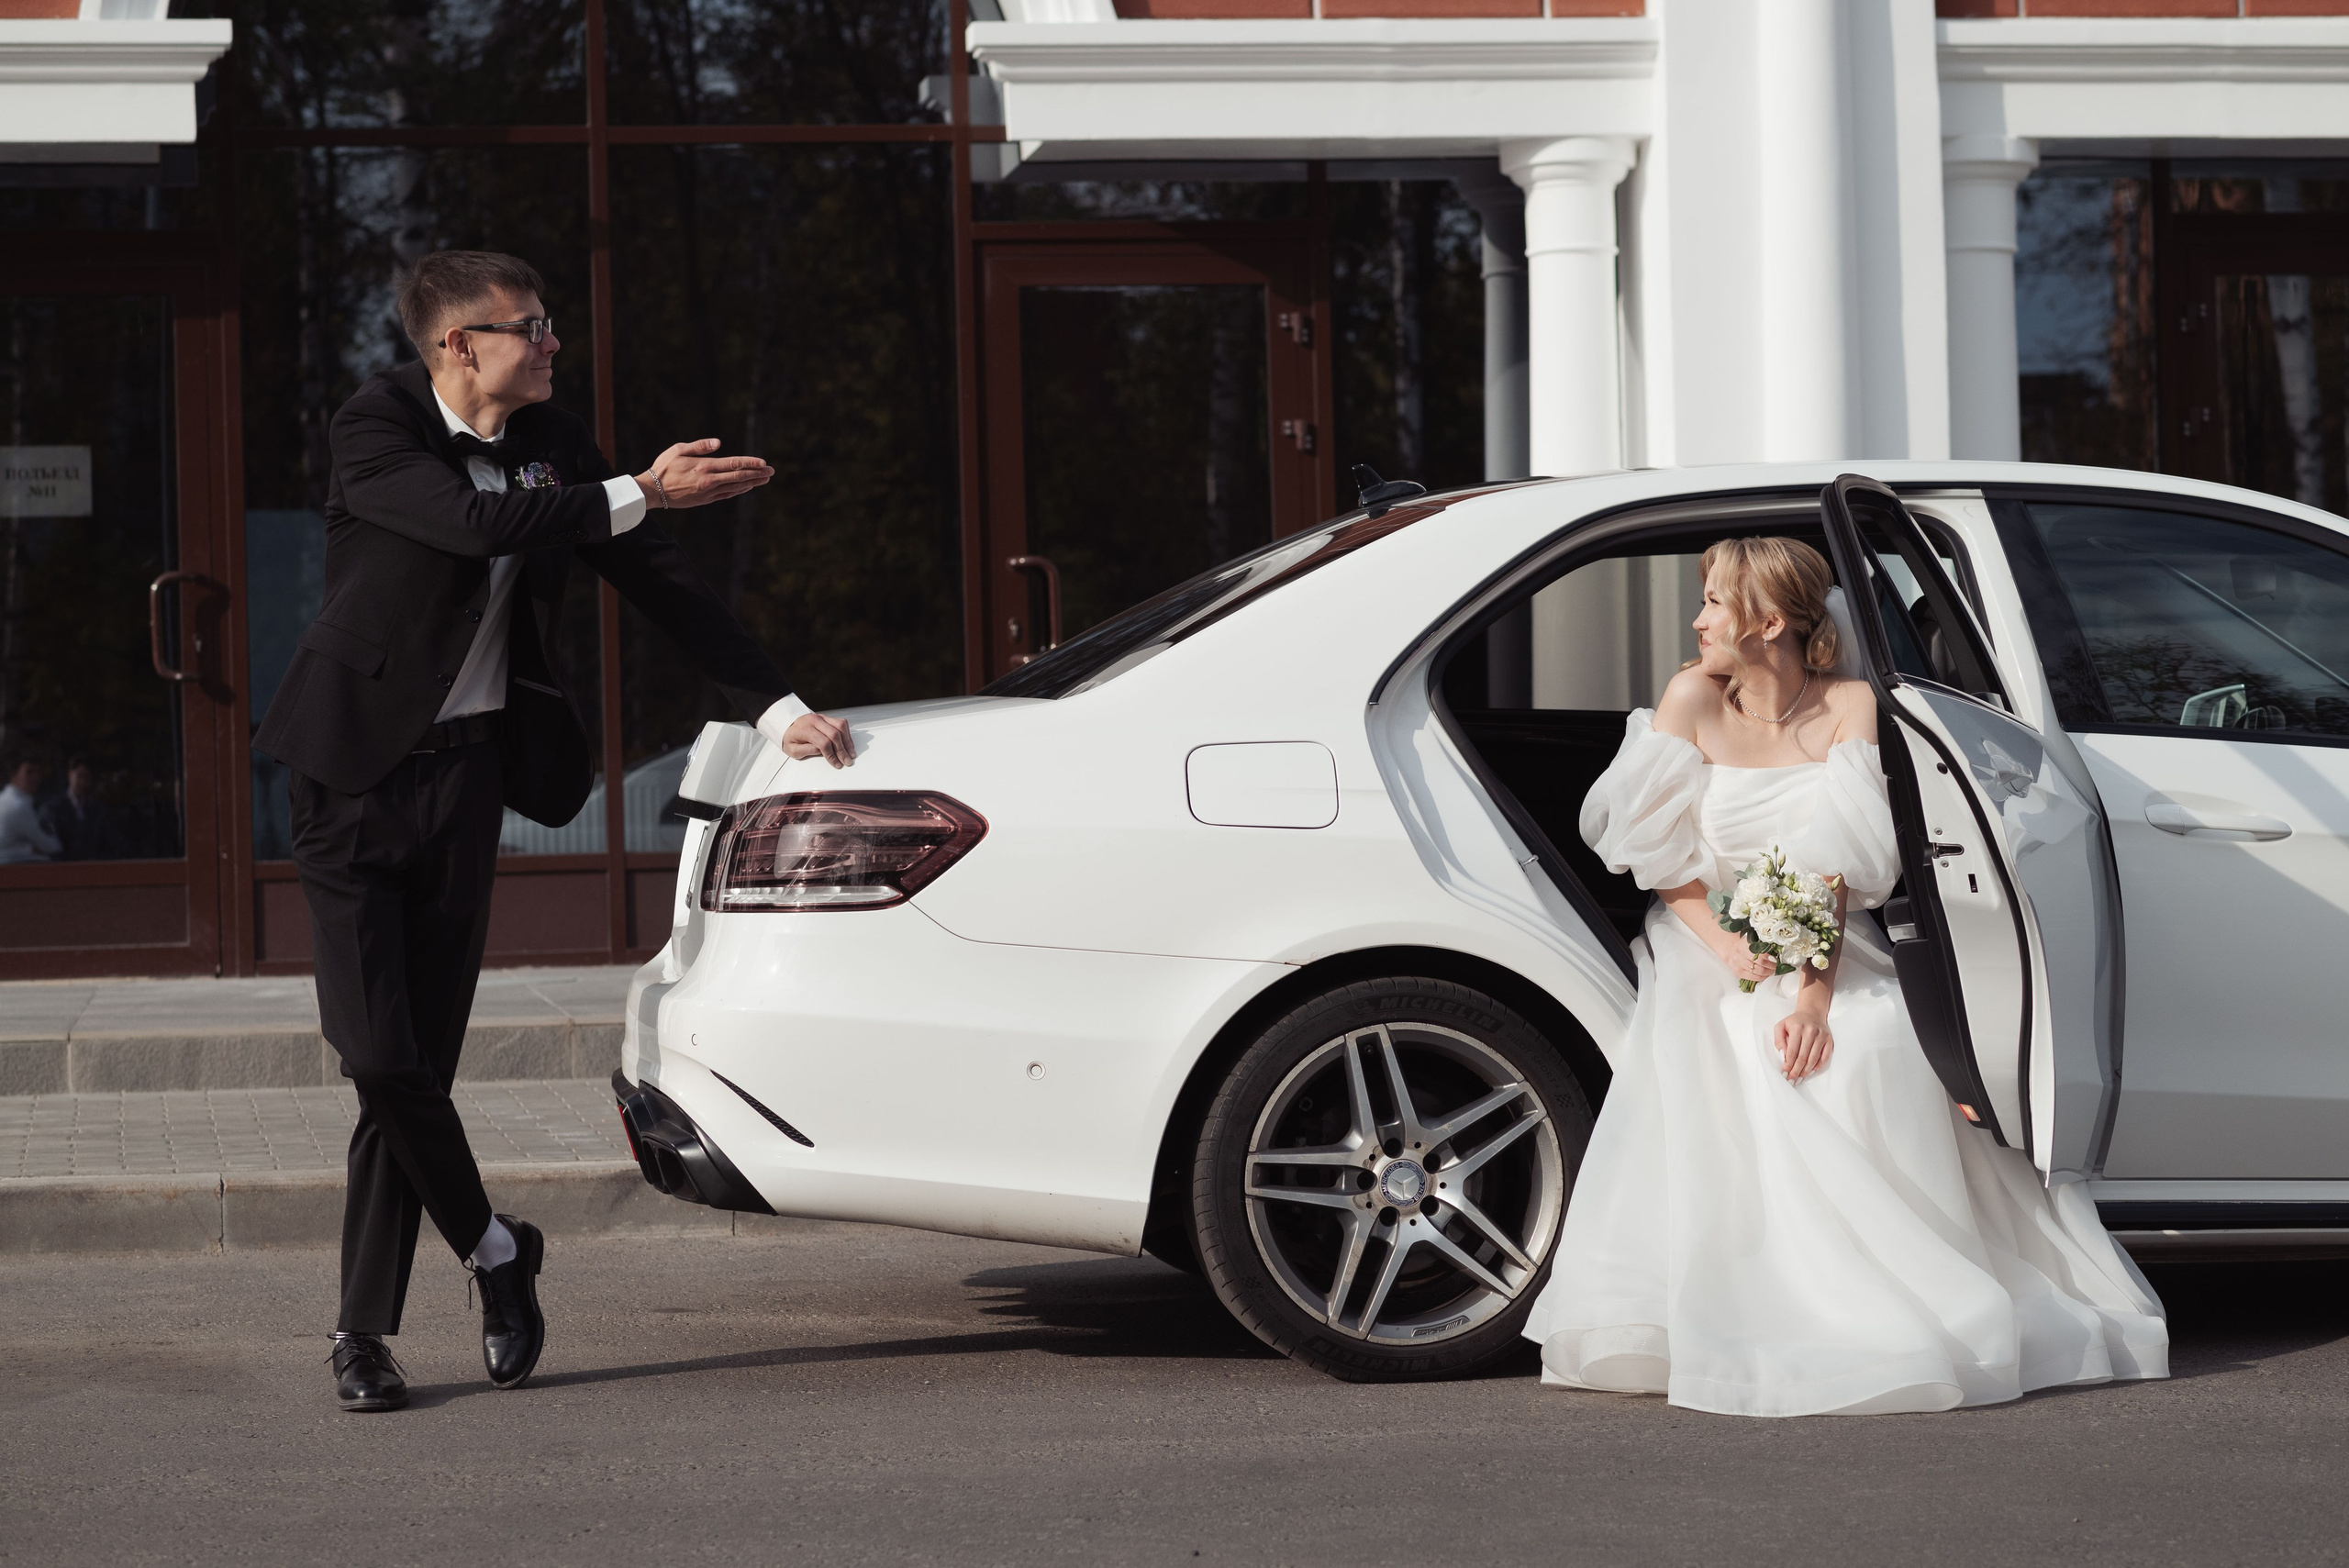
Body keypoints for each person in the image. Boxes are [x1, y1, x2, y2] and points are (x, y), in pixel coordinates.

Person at [253, 250, 857, 1416]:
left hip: (466, 782)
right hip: (349, 776)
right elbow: (469, 524)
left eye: (549, 323)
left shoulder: (560, 446)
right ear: (455, 347)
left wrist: (781, 710)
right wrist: (638, 486)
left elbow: (665, 585)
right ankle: (494, 1250)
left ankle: (360, 1333)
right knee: (378, 1054)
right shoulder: (374, 424)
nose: (549, 341)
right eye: (523, 326)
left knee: (412, 1069)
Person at [1524, 536, 2168, 1417]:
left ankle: (1894, 1287)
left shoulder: (1852, 706)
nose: (1698, 618)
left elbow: (1835, 869)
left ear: (1772, 622)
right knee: (1735, 1040)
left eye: (1715, 601)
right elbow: (1654, 853)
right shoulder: (1689, 698)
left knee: (1865, 1037)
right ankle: (1759, 1294)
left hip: (1825, 937)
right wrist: (1732, 952)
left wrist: (1814, 995)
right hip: (1704, 934)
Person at [43, 758, 121, 861]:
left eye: (87, 777)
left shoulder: (97, 810)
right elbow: (51, 843)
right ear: (70, 775)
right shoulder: (53, 807)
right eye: (79, 775)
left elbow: (106, 842)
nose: (83, 782)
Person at [0, 758, 60, 864]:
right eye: (29, 772)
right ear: (14, 775)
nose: (35, 777)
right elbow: (49, 846)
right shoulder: (18, 805)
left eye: (38, 773)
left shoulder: (5, 798)